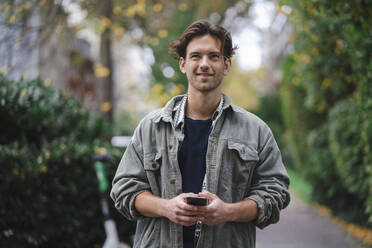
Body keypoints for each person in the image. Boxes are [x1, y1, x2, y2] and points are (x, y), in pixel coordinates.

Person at [110, 20, 290, 248]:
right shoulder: (150, 127)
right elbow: (124, 189)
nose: (204, 64)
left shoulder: (256, 130)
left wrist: (228, 212)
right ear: (183, 64)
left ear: (226, 65)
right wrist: (166, 207)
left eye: (213, 56)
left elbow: (276, 193)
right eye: (196, 56)